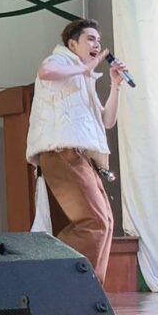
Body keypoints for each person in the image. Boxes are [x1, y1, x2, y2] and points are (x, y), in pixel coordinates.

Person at [25, 18, 125, 283]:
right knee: (94, 222)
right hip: (61, 151)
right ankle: (55, 275)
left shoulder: (83, 77)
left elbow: (107, 120)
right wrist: (84, 69)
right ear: (72, 44)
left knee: (105, 222)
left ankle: (90, 288)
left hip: (81, 156)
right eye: (90, 39)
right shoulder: (60, 60)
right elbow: (46, 72)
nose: (97, 45)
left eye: (98, 41)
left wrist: (115, 85)